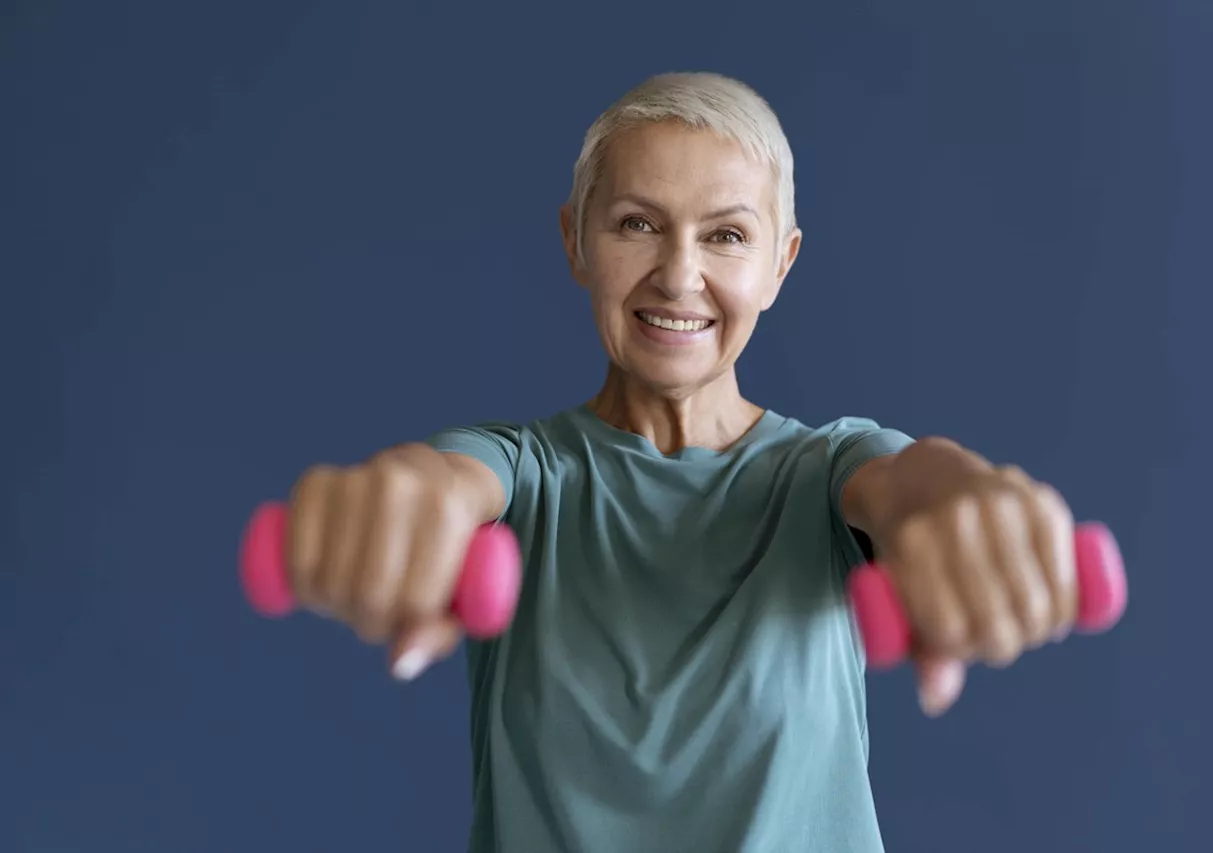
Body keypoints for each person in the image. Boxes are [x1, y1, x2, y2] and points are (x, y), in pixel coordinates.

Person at [283, 72, 1079, 853]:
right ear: (575, 241)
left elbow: (913, 483)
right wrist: (394, 503)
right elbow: (440, 485)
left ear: (781, 264)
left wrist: (962, 502)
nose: (677, 273)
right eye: (636, 224)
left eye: (727, 235)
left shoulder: (829, 468)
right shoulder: (520, 471)